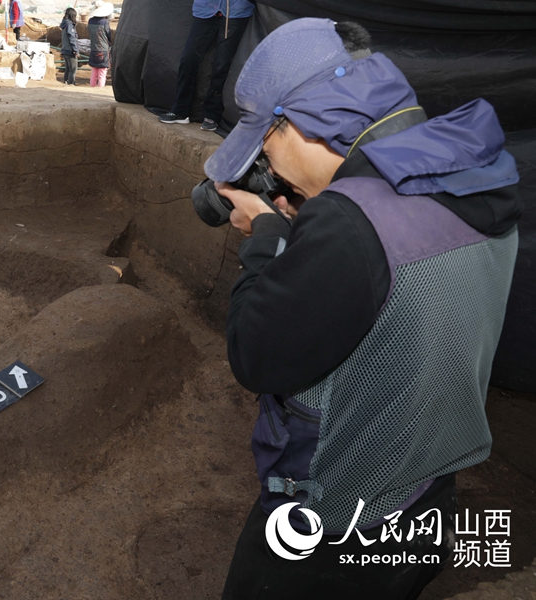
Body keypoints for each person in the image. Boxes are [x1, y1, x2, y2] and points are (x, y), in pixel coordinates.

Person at [203, 18, 521, 599]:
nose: (269, 165)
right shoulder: (476, 172)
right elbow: (403, 276)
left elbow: (255, 354)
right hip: (427, 492)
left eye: (266, 143)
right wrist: (320, 226)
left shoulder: (350, 227)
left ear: (300, 123)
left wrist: (268, 241)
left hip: (335, 525)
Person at [159, 0, 254, 131]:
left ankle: (212, 115)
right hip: (206, 9)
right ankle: (180, 111)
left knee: (221, 65)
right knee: (188, 59)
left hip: (235, 12)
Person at [86, 2, 113, 88]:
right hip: (103, 50)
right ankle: (100, 88)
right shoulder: (105, 22)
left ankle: (92, 86)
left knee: (94, 70)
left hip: (93, 48)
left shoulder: (90, 21)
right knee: (102, 71)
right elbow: (109, 35)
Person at [60, 7, 79, 86]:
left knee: (68, 68)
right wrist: (75, 50)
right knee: (73, 69)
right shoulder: (69, 25)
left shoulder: (64, 24)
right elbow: (72, 38)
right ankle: (71, 83)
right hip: (70, 50)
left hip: (65, 49)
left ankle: (66, 82)